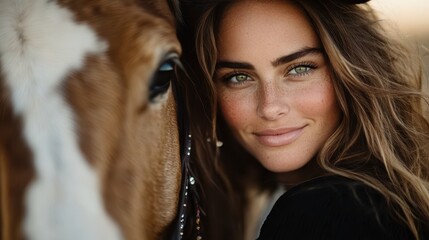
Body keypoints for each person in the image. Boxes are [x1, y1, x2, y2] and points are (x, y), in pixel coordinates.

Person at [180, 0, 429, 239]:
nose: (270, 107)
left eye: (299, 69)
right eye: (238, 77)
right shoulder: (388, 199)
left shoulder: (327, 211)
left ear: (351, 72)